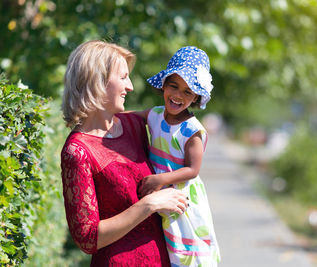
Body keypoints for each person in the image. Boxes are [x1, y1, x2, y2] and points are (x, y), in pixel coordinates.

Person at [60, 40, 188, 266]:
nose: (130, 86)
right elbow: (87, 238)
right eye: (123, 77)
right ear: (97, 80)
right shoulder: (77, 151)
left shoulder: (134, 125)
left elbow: (178, 120)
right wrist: (150, 204)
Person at [135, 46, 221, 266]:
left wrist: (161, 179)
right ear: (163, 85)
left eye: (187, 92)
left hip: (182, 195)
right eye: (173, 86)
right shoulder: (154, 115)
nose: (177, 95)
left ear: (195, 98)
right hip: (159, 191)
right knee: (161, 246)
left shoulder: (191, 130)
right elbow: (129, 118)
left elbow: (193, 170)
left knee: (183, 251)